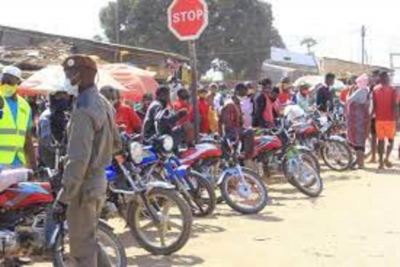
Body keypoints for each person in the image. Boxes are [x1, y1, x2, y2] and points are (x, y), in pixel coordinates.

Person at [54, 55, 121, 267]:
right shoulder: (104, 103)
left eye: (69, 75)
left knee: (82, 252)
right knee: (89, 241)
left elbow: (78, 160)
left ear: (81, 76)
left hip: (82, 187)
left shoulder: (83, 109)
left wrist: (64, 197)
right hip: (99, 181)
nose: (67, 80)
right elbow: (117, 143)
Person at [0, 66, 36, 170]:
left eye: (10, 81)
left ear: (18, 83)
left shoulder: (24, 106)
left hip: (18, 163)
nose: (6, 84)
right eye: (4, 80)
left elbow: (27, 137)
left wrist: (33, 165)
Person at [37, 88, 74, 168]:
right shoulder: (46, 117)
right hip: (49, 166)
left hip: (64, 166)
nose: (63, 99)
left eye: (66, 96)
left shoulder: (67, 116)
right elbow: (48, 141)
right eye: (59, 96)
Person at [219, 83, 254, 159]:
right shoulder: (230, 104)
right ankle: (246, 156)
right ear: (238, 91)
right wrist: (238, 133)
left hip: (236, 130)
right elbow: (228, 124)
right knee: (249, 132)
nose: (245, 94)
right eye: (243, 92)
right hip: (231, 133)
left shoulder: (236, 102)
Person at [372, 71, 397, 169]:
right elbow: (394, 105)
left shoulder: (375, 89)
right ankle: (386, 158)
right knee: (391, 140)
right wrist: (397, 118)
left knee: (380, 140)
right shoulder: (392, 89)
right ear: (386, 78)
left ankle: (381, 162)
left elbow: (374, 105)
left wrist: (370, 116)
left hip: (379, 119)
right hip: (390, 119)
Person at [346, 74, 371, 169]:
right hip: (361, 119)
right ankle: (360, 163)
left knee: (358, 141)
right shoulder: (366, 91)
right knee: (360, 140)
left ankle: (360, 164)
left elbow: (349, 100)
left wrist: (350, 91)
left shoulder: (361, 91)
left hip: (357, 120)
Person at [369, 70, 381, 163]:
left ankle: (381, 157)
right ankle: (373, 157)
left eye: (375, 76)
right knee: (373, 137)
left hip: (381, 116)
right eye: (373, 76)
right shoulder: (371, 88)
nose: (374, 78)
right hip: (374, 116)